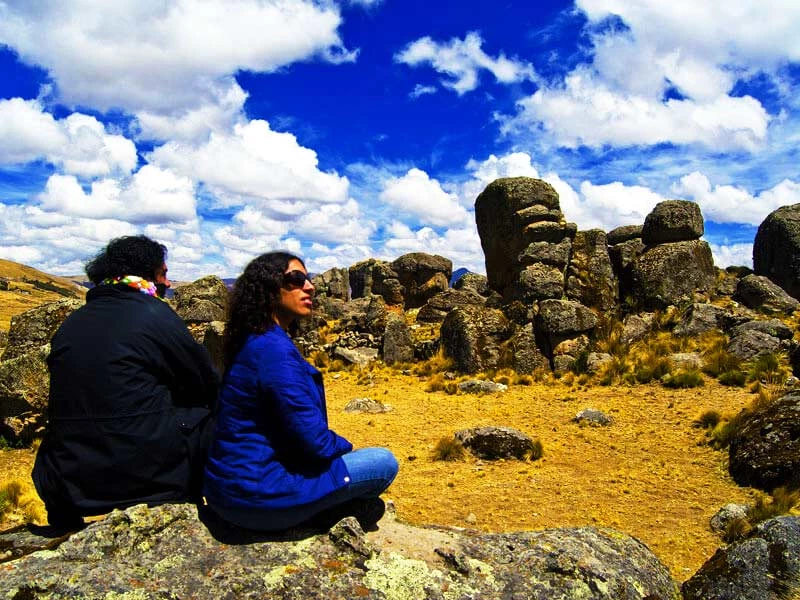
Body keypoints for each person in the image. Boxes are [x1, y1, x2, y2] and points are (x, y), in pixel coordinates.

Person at [32, 235, 219, 529]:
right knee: (217, 416)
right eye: (164, 273)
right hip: (146, 478)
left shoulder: (73, 322)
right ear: (147, 274)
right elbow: (204, 383)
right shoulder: (155, 314)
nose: (169, 283)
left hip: (68, 480)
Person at [203, 252, 398, 531]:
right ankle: (324, 513)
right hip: (258, 498)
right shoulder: (273, 351)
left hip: (232, 492)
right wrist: (346, 449)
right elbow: (316, 443)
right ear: (268, 289)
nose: (309, 286)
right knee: (383, 463)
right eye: (296, 279)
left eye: (307, 279)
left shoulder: (255, 340)